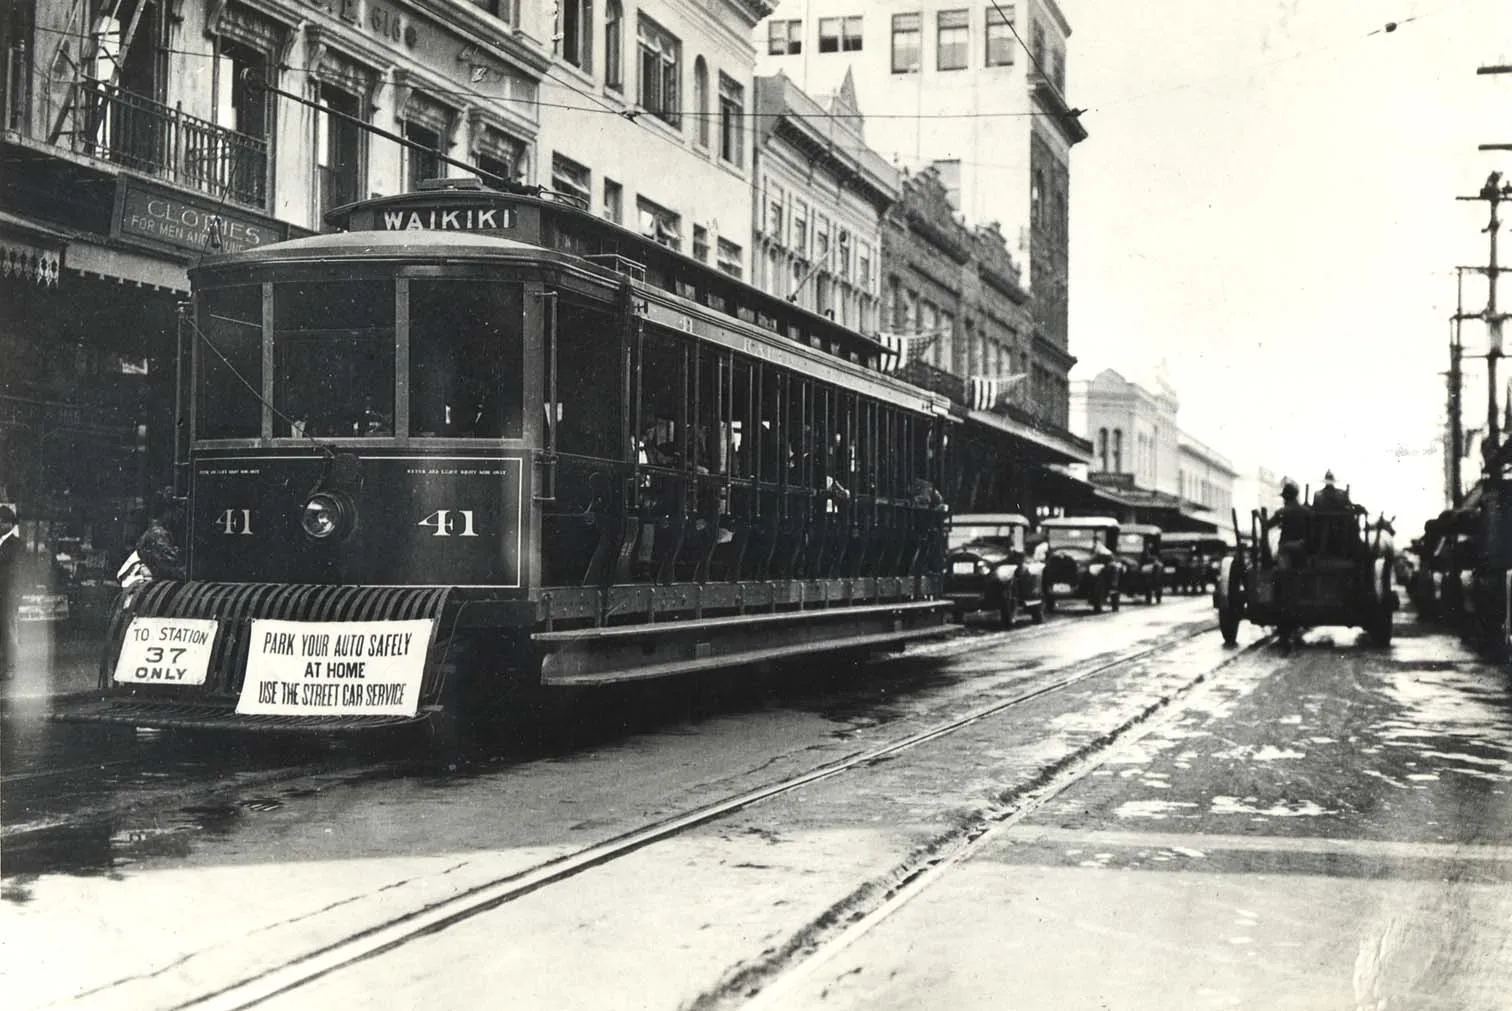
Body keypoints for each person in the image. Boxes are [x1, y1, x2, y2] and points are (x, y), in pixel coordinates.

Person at [136, 491, 187, 582]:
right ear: (167, 512)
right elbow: (176, 568)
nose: (179, 515)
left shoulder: (152, 532)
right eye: (176, 510)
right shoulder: (158, 535)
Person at [1265, 478, 1311, 569]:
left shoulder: (1282, 512)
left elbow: (1267, 525)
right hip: (1301, 546)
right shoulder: (1306, 512)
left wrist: (1260, 517)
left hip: (1285, 547)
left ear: (1286, 498)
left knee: (1283, 572)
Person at [0, 506, 19, 675]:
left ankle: (9, 668)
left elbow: (13, 572)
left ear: (8, 524)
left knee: (8, 630)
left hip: (8, 594)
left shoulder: (15, 544)